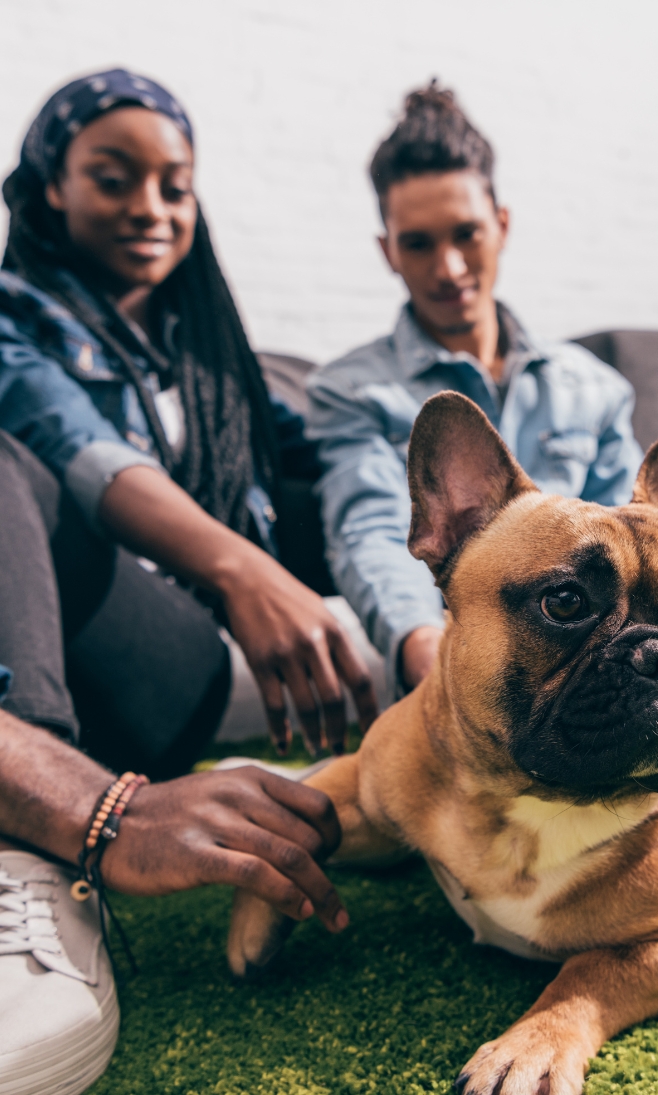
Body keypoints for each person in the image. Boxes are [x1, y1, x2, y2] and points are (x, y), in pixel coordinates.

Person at [0, 70, 374, 1093]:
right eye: (114, 178)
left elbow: (323, 464)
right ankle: (27, 857)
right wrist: (240, 566)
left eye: (175, 184)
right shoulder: (12, 318)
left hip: (183, 666)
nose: (151, 209)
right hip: (57, 653)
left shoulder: (208, 349)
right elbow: (70, 441)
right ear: (47, 194)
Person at [308, 83, 643, 694]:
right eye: (418, 243)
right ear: (387, 251)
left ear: (502, 225)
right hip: (438, 659)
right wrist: (421, 643)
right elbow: (372, 531)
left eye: (466, 234)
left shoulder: (597, 392)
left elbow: (632, 546)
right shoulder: (349, 392)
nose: (449, 268)